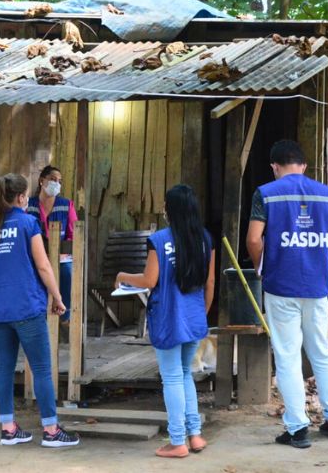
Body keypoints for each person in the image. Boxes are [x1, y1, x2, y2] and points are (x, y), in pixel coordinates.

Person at [246, 140, 328, 449]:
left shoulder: (266, 193)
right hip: (316, 288)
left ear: (275, 167)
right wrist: (319, 261)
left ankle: (297, 427)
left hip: (281, 287)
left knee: (288, 357)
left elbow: (253, 240)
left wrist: (263, 267)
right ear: (303, 166)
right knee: (320, 352)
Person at [0, 173, 81, 448]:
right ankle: (52, 431)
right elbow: (44, 266)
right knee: (42, 368)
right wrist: (57, 297)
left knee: (6, 368)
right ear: (21, 198)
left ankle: (8, 429)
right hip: (26, 307)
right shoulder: (27, 223)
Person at [115, 185, 215, 458]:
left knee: (171, 377)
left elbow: (149, 281)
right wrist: (200, 315)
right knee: (185, 375)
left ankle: (177, 440)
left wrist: (124, 275)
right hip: (194, 319)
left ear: (170, 210)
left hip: (169, 319)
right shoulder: (205, 239)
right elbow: (210, 283)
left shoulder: (159, 240)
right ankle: (195, 435)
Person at [27, 165, 79, 323]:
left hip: (61, 256)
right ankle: (35, 314)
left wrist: (63, 251)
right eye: (53, 180)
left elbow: (73, 234)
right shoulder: (28, 204)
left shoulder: (66, 204)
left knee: (67, 273)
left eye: (59, 181)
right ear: (42, 181)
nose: (57, 183)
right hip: (35, 256)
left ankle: (65, 316)